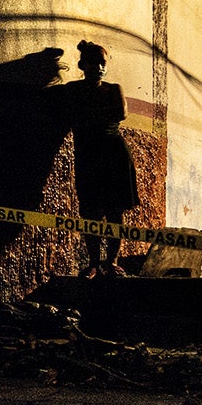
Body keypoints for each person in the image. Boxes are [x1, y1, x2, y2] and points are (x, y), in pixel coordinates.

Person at [66, 40, 139, 278]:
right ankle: (94, 263)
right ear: (82, 65)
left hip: (114, 155)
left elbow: (121, 113)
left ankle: (112, 262)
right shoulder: (73, 90)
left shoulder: (113, 89)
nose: (99, 67)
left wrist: (87, 115)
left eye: (102, 63)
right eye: (94, 62)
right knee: (90, 212)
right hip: (89, 156)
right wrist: (97, 115)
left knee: (115, 212)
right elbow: (71, 115)